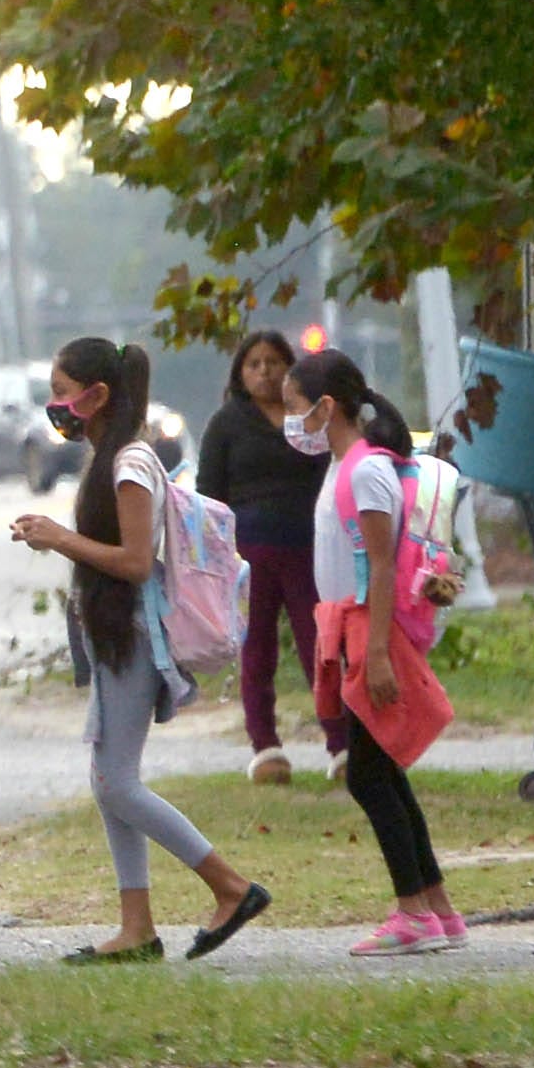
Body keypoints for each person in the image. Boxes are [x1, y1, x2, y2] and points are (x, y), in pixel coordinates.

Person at [8, 337, 272, 962]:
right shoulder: (113, 457)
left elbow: (132, 563)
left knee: (119, 783)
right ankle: (137, 927)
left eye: (61, 390)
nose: (55, 404)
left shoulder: (129, 463)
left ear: (96, 396)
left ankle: (231, 887)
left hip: (132, 634)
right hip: (113, 633)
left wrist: (59, 538)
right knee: (108, 781)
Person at [289, 348, 467, 956]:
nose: (292, 422)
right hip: (352, 628)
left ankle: (412, 912)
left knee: (367, 774)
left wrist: (382, 654)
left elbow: (383, 563)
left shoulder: (365, 471)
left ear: (326, 407)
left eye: (296, 408)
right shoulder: (345, 467)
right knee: (382, 767)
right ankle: (436, 907)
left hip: (372, 631)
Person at [195, 328, 341, 783]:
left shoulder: (308, 418)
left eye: (273, 363)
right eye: (254, 364)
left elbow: (331, 472)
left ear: (288, 368)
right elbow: (208, 496)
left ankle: (340, 745)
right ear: (241, 373)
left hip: (306, 548)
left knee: (319, 646)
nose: (264, 371)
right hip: (247, 556)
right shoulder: (226, 423)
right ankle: (266, 747)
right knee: (255, 647)